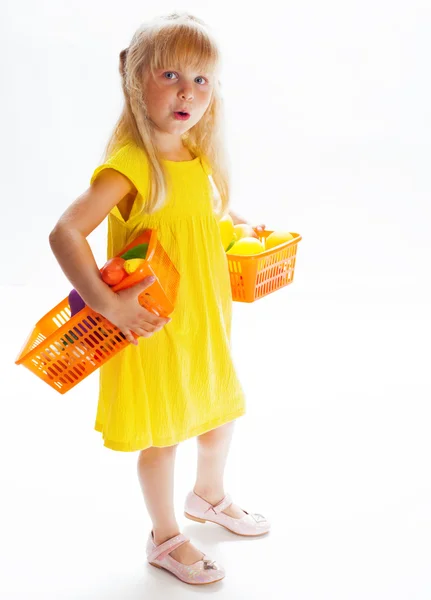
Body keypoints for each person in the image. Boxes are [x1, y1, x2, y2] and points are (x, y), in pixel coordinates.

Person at [49, 12, 270, 586]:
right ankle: (166, 537)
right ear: (136, 79)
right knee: (165, 434)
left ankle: (209, 497)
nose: (187, 92)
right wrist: (108, 304)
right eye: (170, 74)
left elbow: (197, 221)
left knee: (219, 416)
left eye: (201, 80)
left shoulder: (195, 157)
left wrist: (240, 229)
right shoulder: (133, 164)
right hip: (151, 326)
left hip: (203, 322)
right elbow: (66, 233)